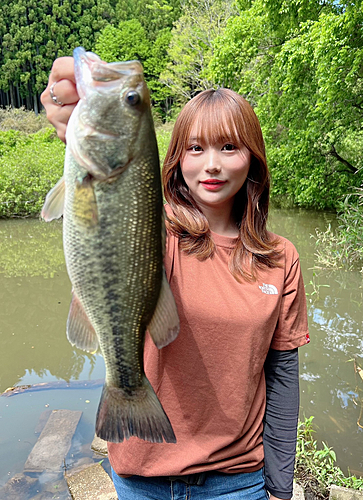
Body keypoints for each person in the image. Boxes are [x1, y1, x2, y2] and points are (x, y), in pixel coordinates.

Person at [41, 57, 310, 500]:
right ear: (176, 157)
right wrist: (66, 115)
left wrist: (280, 488)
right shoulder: (152, 228)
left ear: (253, 158)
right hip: (141, 479)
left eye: (229, 147)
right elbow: (104, 208)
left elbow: (281, 378)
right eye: (196, 148)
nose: (212, 165)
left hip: (238, 482)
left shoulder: (281, 259)